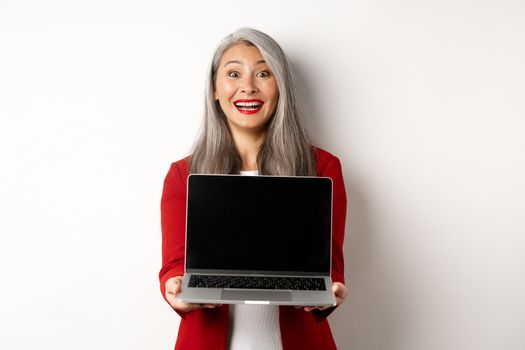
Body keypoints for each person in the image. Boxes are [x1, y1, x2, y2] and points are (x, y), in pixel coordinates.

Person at [159, 27, 348, 350]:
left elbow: (329, 269)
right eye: (234, 73)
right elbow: (174, 266)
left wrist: (331, 290)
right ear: (215, 89)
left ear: (281, 87)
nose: (248, 87)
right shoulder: (183, 174)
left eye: (264, 73)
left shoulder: (322, 168)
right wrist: (175, 287)